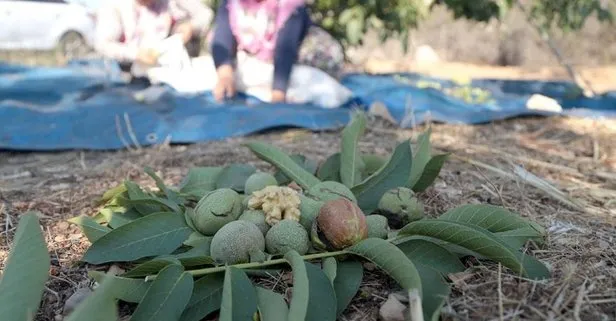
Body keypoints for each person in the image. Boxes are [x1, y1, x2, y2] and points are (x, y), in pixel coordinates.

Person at [210, 0, 345, 103]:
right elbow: (222, 36)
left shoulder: (290, 5)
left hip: (302, 55)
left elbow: (286, 48)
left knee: (306, 75)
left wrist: (278, 94)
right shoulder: (233, 4)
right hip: (266, 57)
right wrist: (225, 76)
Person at [95, 0, 214, 73]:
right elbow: (103, 44)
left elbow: (205, 14)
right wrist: (136, 54)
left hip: (172, 64)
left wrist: (192, 26)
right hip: (131, 68)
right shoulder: (113, 6)